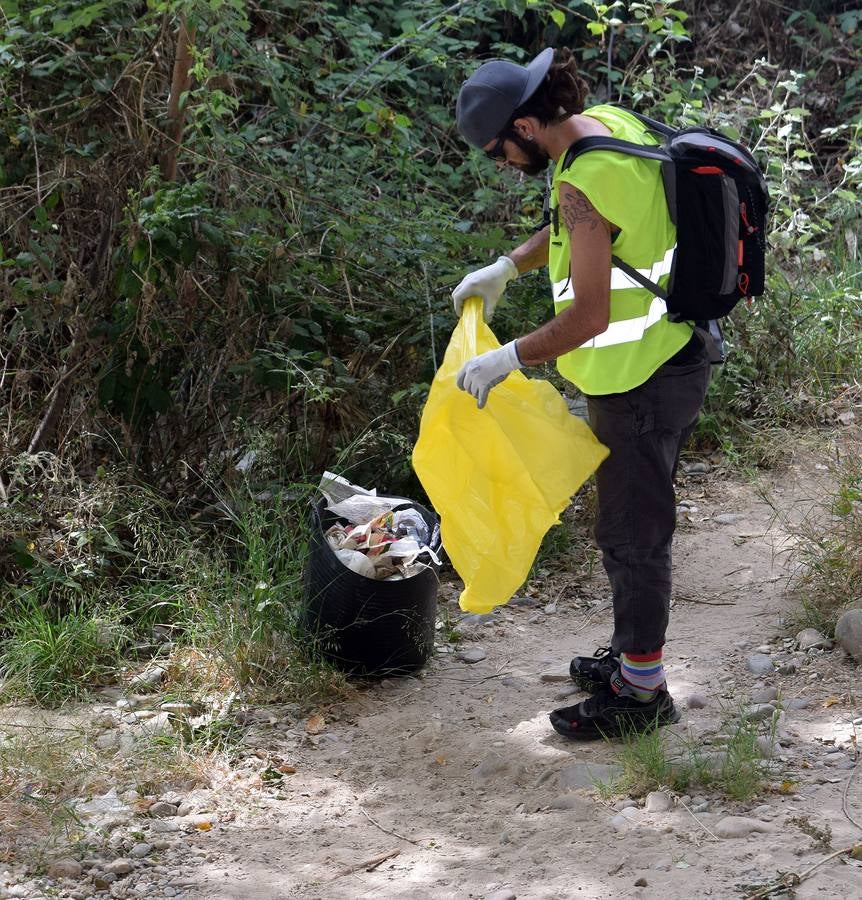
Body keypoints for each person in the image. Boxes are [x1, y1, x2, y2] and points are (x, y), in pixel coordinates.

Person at [452, 47, 713, 740]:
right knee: (630, 525)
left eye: (497, 150)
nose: (502, 163)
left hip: (641, 377)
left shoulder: (583, 179)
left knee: (632, 534)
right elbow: (580, 226)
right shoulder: (603, 125)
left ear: (527, 127)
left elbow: (590, 315)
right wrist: (509, 264)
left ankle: (642, 692)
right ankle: (633, 657)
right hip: (672, 354)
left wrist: (507, 357)